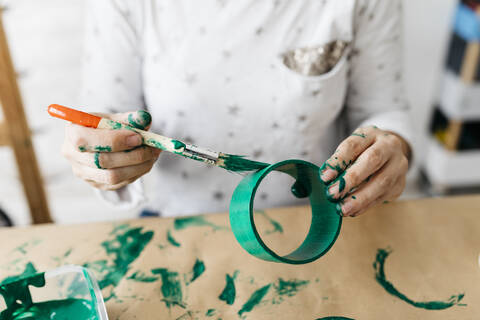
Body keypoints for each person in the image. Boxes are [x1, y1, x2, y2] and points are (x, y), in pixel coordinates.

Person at [62, 0, 412, 218]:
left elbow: (383, 110)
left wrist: (391, 147)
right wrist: (100, 151)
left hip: (318, 218)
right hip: (180, 222)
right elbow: (101, 121)